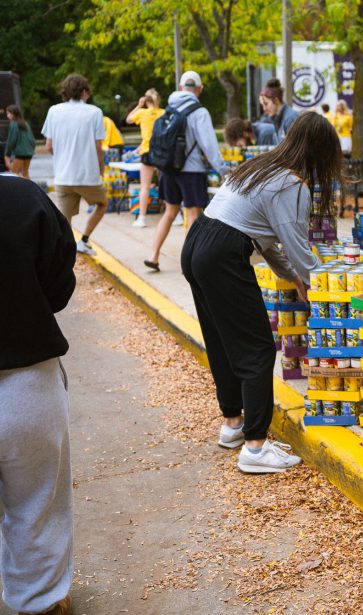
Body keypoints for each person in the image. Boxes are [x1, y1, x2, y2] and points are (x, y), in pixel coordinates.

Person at [0, 77, 77, 615]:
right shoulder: (20, 197)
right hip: (24, 385)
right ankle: (39, 604)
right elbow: (58, 286)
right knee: (36, 506)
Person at [181, 113, 339, 472]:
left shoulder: (262, 167)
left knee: (223, 341)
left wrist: (292, 276)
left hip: (198, 243)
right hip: (223, 252)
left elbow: (267, 241)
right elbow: (297, 247)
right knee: (257, 349)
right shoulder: (291, 184)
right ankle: (255, 447)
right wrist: (326, 284)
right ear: (320, 152)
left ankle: (233, 424)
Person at [145, 71, 228, 272]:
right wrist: (223, 170)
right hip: (191, 171)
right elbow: (209, 145)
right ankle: (188, 262)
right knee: (193, 214)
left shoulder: (170, 107)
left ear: (181, 88)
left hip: (169, 169)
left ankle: (153, 255)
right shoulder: (199, 112)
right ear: (199, 89)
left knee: (170, 212)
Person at [41, 73, 107, 256]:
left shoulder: (53, 111)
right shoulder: (94, 112)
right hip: (88, 175)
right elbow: (98, 148)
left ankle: (67, 252)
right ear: (84, 92)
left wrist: (62, 156)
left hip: (63, 175)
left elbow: (48, 146)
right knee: (102, 203)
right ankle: (84, 240)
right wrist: (101, 168)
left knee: (64, 219)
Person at [125, 88, 165, 228]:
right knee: (166, 183)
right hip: (162, 152)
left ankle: (141, 218)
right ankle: (175, 215)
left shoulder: (142, 113)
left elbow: (128, 119)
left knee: (145, 186)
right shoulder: (163, 113)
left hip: (147, 151)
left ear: (146, 100)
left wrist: (138, 105)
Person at [254, 78, 299, 145]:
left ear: (276, 100)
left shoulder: (290, 119)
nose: (264, 109)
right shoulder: (279, 119)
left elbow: (294, 150)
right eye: (262, 105)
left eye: (266, 104)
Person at [5, 104, 36, 178]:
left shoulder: (13, 124)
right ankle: (29, 189)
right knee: (25, 173)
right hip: (29, 153)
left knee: (14, 174)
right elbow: (32, 139)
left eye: (8, 113)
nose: (7, 116)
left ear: (13, 114)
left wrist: (7, 154)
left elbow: (11, 140)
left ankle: (16, 189)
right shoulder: (25, 123)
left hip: (20, 153)